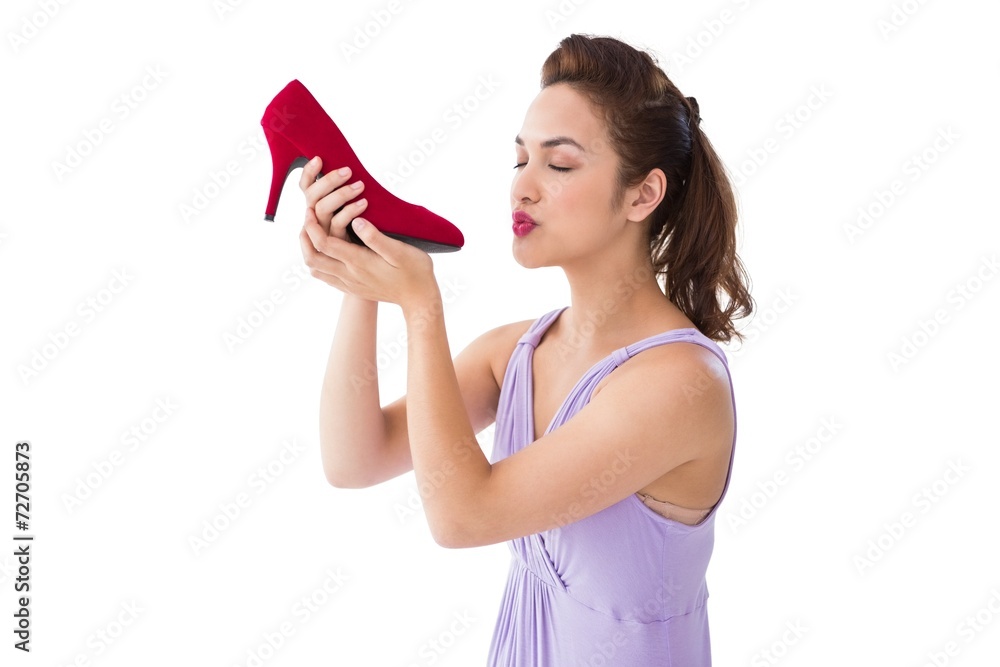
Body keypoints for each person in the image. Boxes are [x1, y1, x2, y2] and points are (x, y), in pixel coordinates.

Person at [297, 33, 753, 667]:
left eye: (558, 165)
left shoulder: (679, 383)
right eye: (520, 161)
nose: (523, 188)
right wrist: (362, 275)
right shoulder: (515, 353)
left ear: (642, 195)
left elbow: (462, 517)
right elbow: (355, 459)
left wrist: (422, 309)